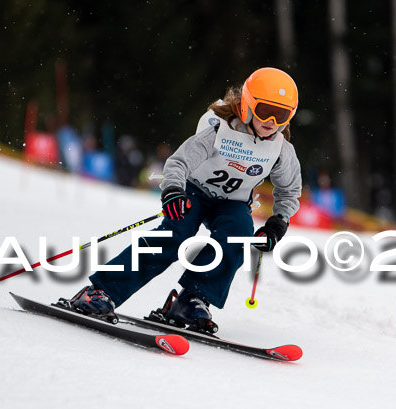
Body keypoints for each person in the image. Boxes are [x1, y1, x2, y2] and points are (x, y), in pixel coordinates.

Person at [63, 67, 302, 333]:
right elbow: (178, 162)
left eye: (280, 114)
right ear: (247, 105)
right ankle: (100, 292)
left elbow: (289, 191)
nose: (271, 120)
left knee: (239, 235)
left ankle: (191, 300)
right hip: (194, 191)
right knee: (176, 235)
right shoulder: (218, 131)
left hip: (232, 202)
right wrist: (174, 191)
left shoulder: (281, 150)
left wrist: (277, 223)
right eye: (264, 110)